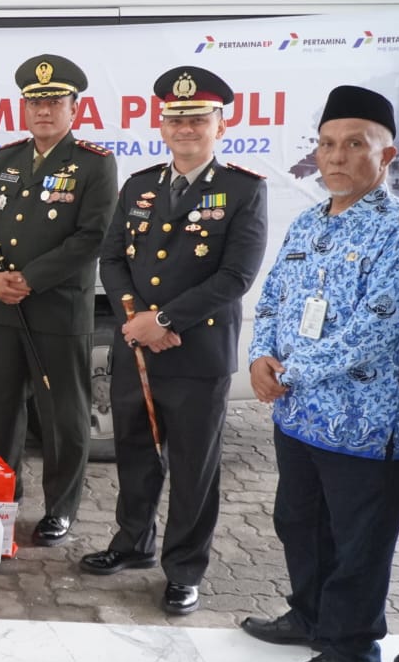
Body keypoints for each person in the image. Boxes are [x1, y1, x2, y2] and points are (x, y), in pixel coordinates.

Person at [80, 66, 267, 616]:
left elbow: (236, 276)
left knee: (192, 468)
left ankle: (184, 569)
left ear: (220, 124)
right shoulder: (140, 186)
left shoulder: (242, 189)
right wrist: (137, 321)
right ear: (162, 125)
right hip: (135, 348)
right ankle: (133, 542)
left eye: (197, 118)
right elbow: (112, 259)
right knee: (135, 454)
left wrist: (162, 322)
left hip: (196, 355)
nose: (186, 128)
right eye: (176, 118)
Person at [242, 86, 399, 662]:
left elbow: (380, 328)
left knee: (358, 539)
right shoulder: (308, 223)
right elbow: (270, 299)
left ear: (386, 155)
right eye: (326, 144)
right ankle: (310, 615)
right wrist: (260, 356)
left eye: (353, 145)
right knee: (298, 521)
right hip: (298, 415)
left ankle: (349, 647)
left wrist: (289, 372)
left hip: (366, 422)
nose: (336, 157)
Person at [0, 54, 118, 546]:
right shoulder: (6, 159)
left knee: (63, 417)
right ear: (24, 109)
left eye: (55, 102)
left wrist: (28, 278)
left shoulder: (95, 163)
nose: (44, 111)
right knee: (4, 410)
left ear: (75, 108)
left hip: (57, 308)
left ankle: (61, 508)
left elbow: (91, 236)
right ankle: (1, 497)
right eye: (35, 103)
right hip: (5, 308)